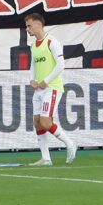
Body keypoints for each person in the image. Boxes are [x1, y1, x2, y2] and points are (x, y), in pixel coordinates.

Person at [25, 10, 77, 166]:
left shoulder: (51, 42)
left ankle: (70, 143)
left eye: (28, 26)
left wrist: (46, 81)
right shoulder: (34, 45)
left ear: (37, 24)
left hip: (52, 88)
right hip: (39, 89)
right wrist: (32, 80)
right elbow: (33, 64)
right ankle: (46, 158)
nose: (27, 29)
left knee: (45, 122)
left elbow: (61, 65)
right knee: (37, 122)